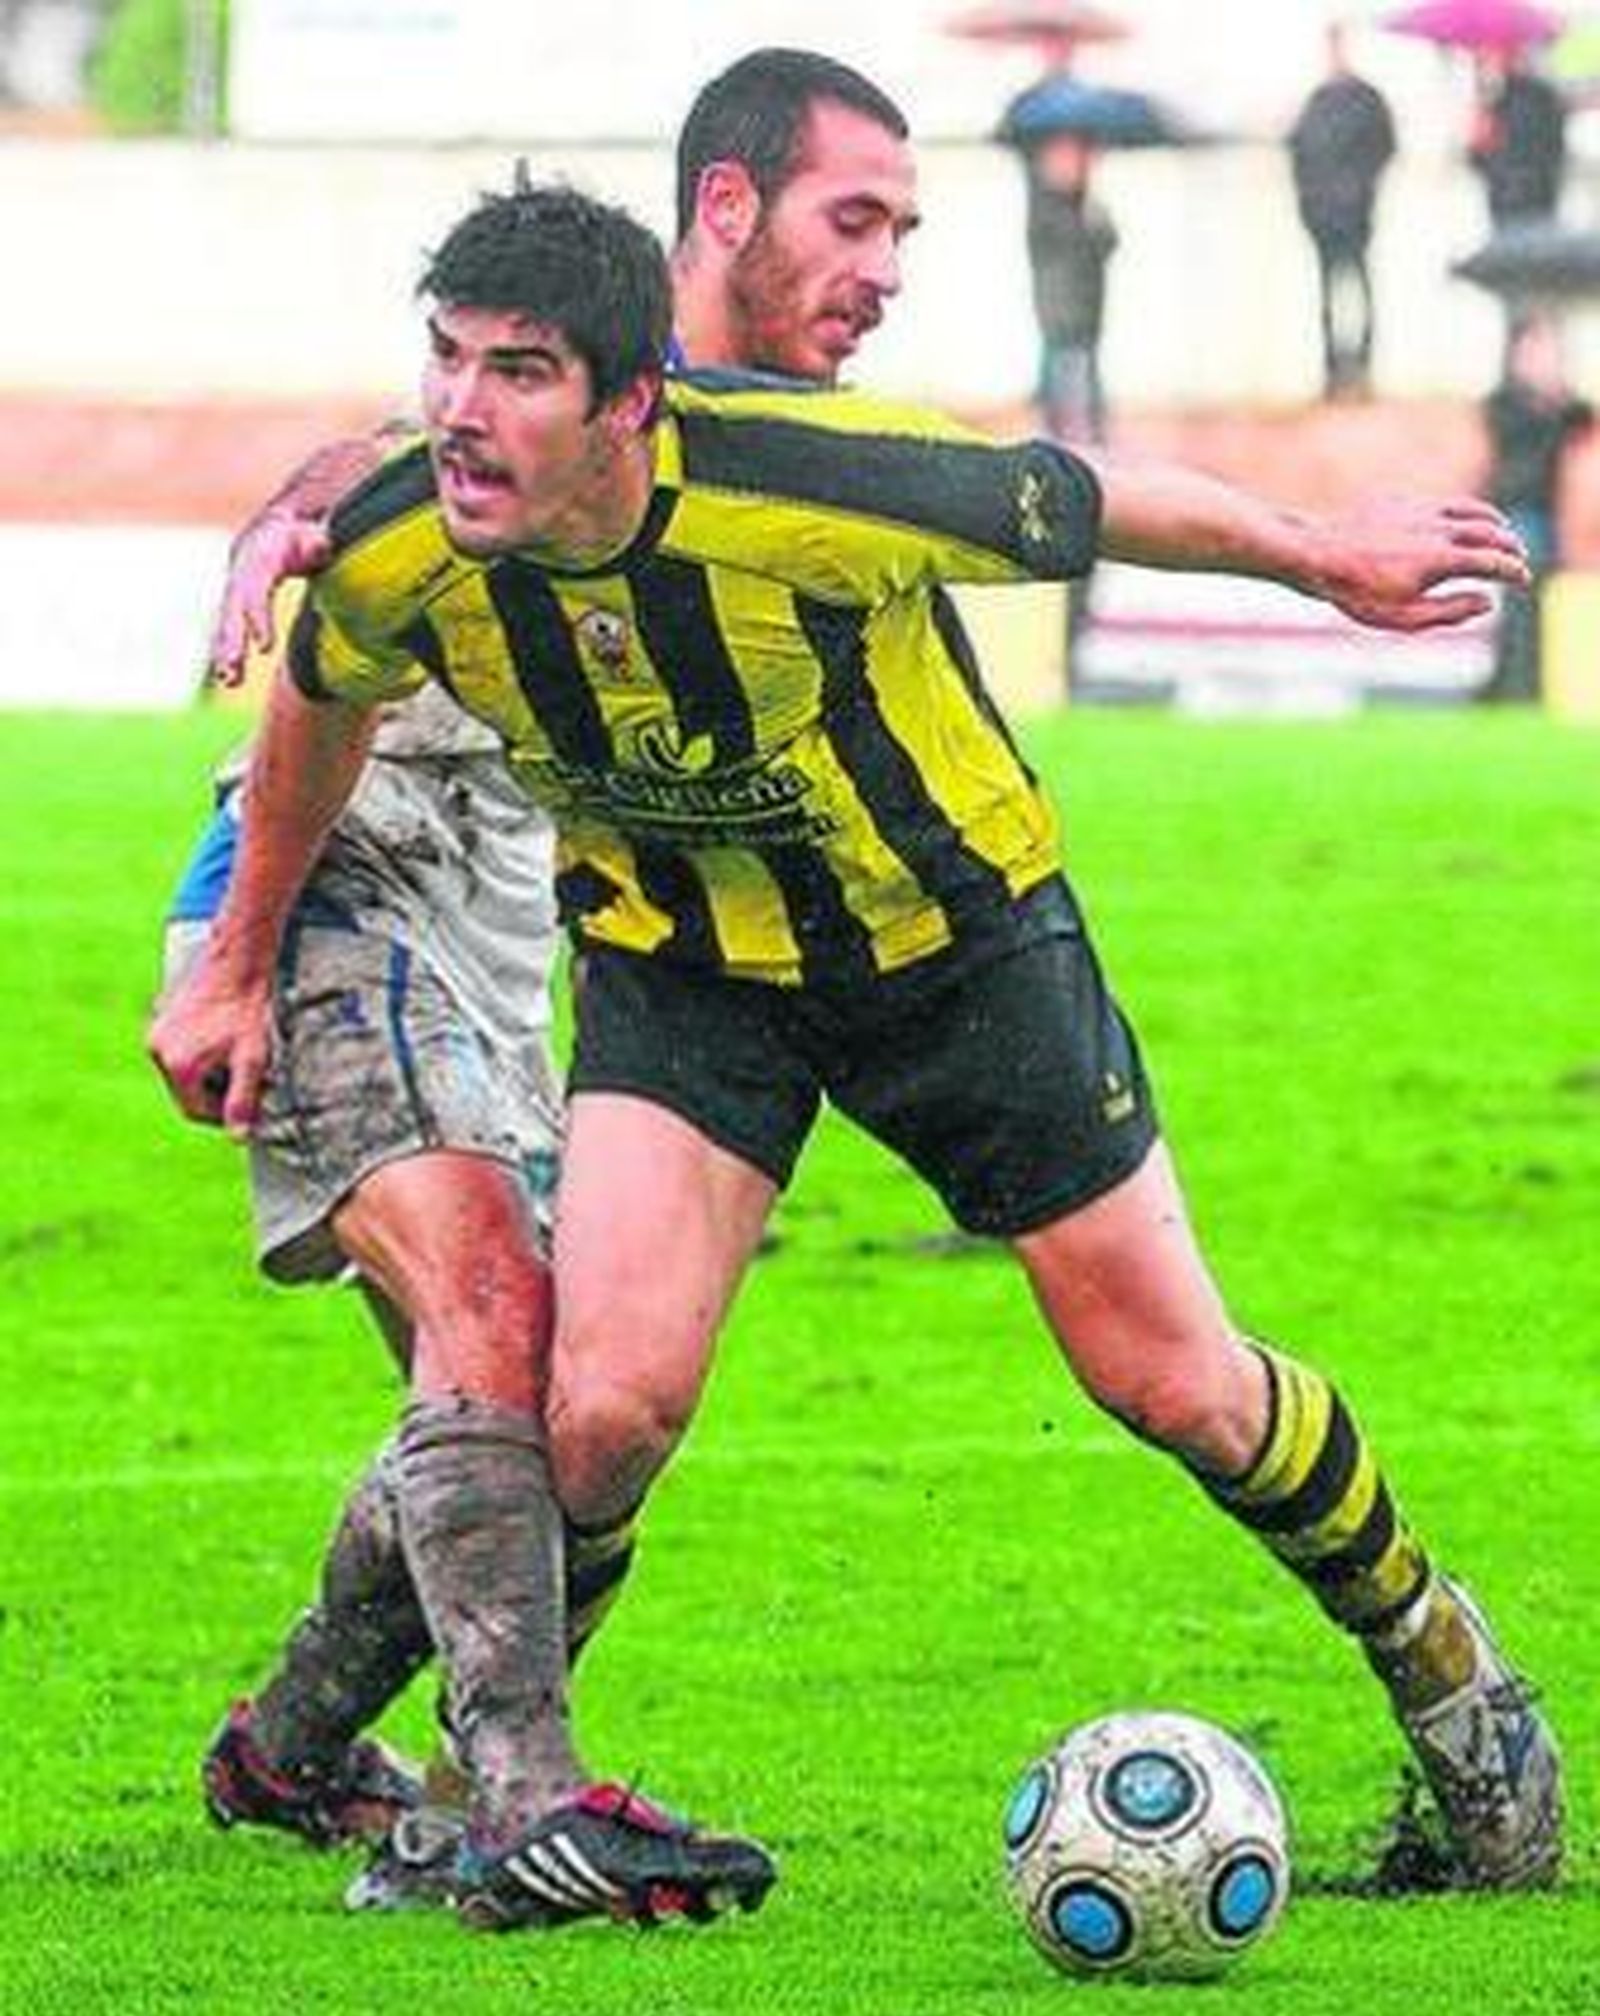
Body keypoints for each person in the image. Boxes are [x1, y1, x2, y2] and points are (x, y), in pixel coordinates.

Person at [151, 178, 1563, 1923]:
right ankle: (484, 1811)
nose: (463, 408)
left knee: (1174, 1382)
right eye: (447, 360)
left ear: (629, 401)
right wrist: (230, 967)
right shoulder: (399, 537)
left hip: (955, 952)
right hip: (686, 972)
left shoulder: (812, 481)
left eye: (519, 372)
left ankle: (1450, 1675)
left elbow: (1086, 493)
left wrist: (1325, 555)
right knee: (594, 1407)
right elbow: (320, 689)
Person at [155, 48, 918, 1919]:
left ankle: (300, 1746)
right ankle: (522, 1815)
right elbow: (372, 473)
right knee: (492, 1309)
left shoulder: (748, 446)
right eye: (857, 222)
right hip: (337, 902)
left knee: (568, 1416)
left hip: (501, 957)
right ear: (727, 216)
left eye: (899, 234)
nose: (881, 273)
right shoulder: (566, 359)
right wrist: (235, 964)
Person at [1480, 308, 1592, 701]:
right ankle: (1513, 687)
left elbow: (1583, 420)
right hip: (1516, 513)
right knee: (1519, 608)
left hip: (1551, 516)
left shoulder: (1564, 407)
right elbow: (1520, 448)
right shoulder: (1504, 403)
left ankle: (1531, 685)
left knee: (1540, 607)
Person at [997, 96, 1118, 444]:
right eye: (1066, 156)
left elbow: (1108, 243)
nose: (1075, 164)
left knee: (1079, 388)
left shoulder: (1088, 206)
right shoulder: (1046, 209)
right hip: (1060, 318)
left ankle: (1084, 443)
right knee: (1066, 390)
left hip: (1086, 319)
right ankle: (1068, 444)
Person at [1286, 22, 1397, 399]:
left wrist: (1360, 189)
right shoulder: (1317, 101)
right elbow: (1298, 155)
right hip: (1324, 216)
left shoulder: (1365, 99)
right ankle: (1334, 374)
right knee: (1330, 295)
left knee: (1360, 292)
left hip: (1356, 214)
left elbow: (1383, 149)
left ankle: (1361, 372)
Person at [1468, 50, 1567, 229]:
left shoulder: (1497, 102)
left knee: (1512, 245)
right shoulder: (1549, 97)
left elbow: (1477, 154)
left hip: (1506, 190)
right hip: (1540, 189)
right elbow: (1557, 148)